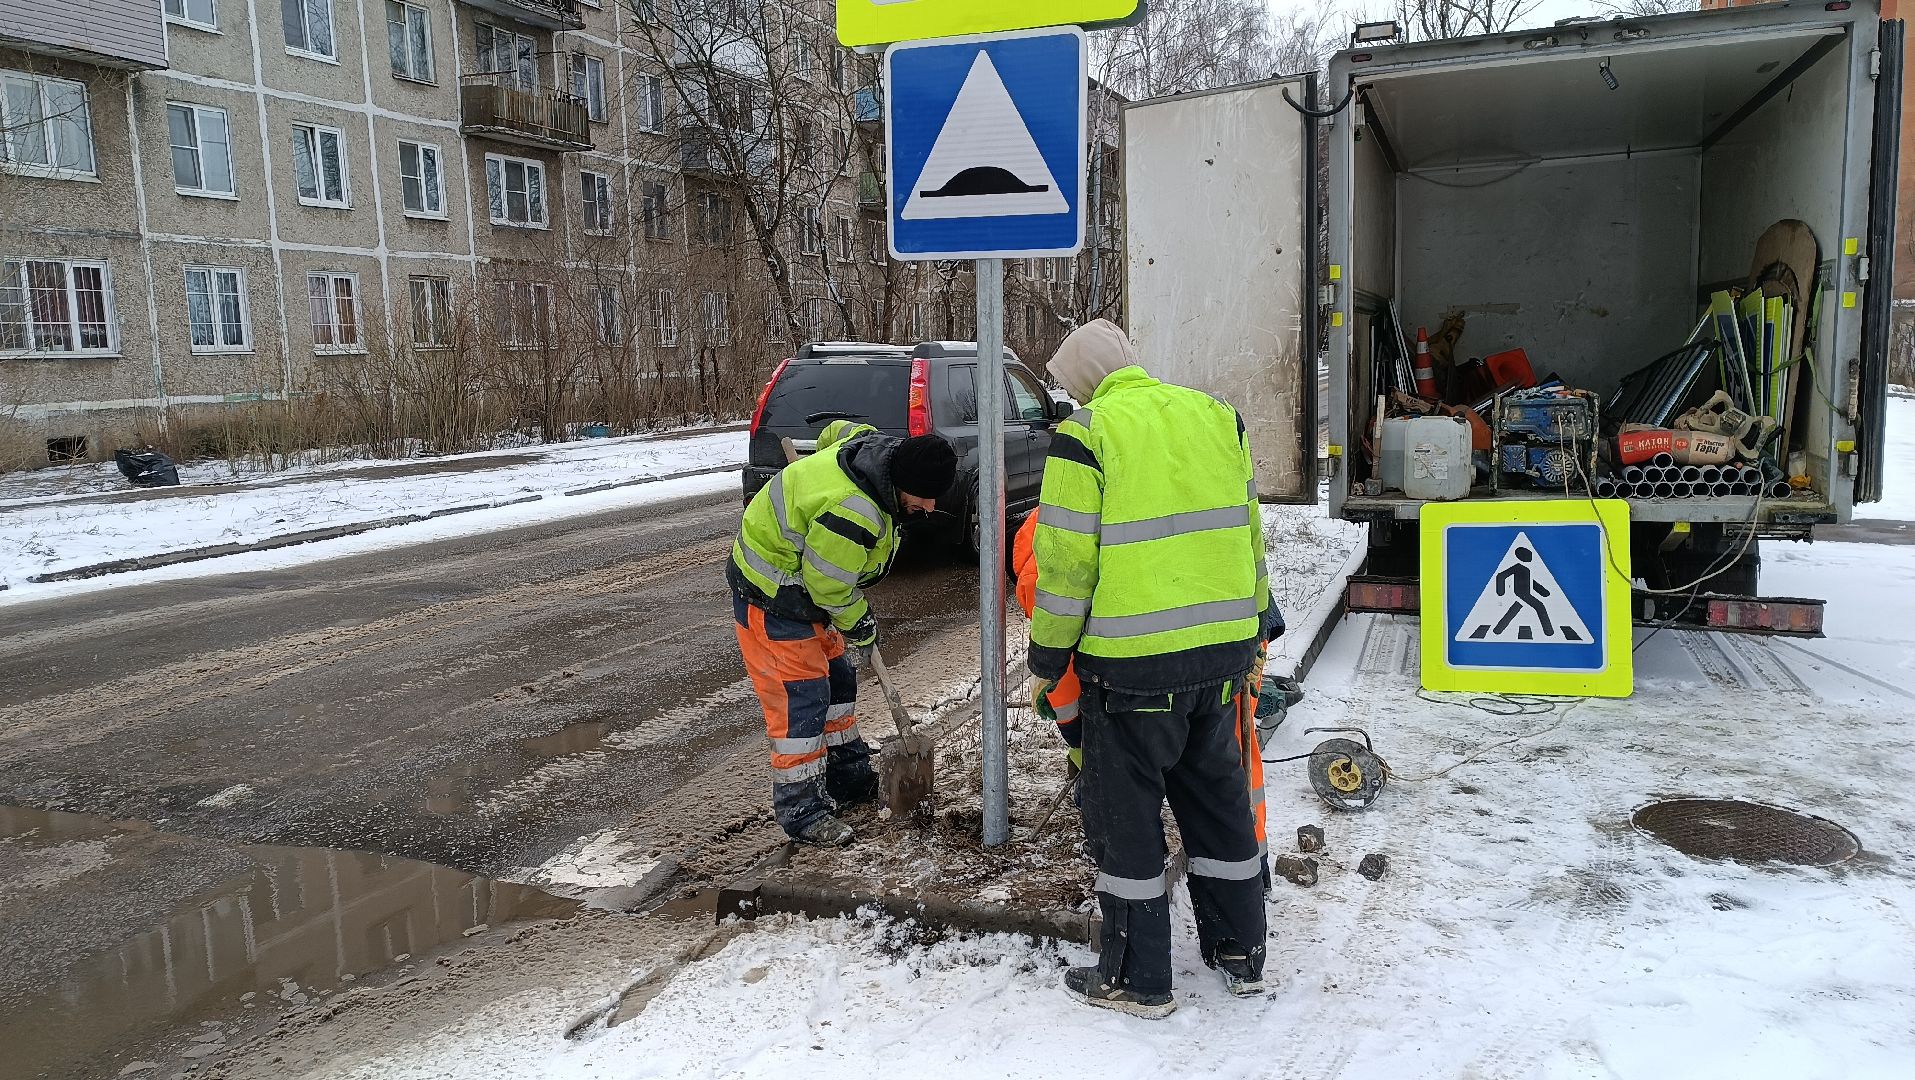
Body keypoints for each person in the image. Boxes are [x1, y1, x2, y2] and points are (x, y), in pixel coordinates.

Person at [1028, 319, 1282, 1018]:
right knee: (1217, 803)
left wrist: (1048, 659)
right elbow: (1248, 528)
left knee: (1127, 823)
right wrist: (1258, 616)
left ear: (1080, 380)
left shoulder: (1086, 433)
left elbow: (1067, 564)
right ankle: (1239, 953)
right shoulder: (1215, 416)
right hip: (1224, 655)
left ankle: (1139, 982)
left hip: (1133, 671)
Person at [728, 419, 957, 847]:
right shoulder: (855, 510)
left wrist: (812, 467)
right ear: (902, 482)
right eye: (924, 498)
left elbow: (838, 430)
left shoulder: (872, 448)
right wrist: (861, 624)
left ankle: (847, 775)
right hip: (773, 595)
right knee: (803, 697)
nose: (928, 507)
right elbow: (829, 585)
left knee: (839, 679)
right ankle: (803, 811)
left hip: (804, 595)